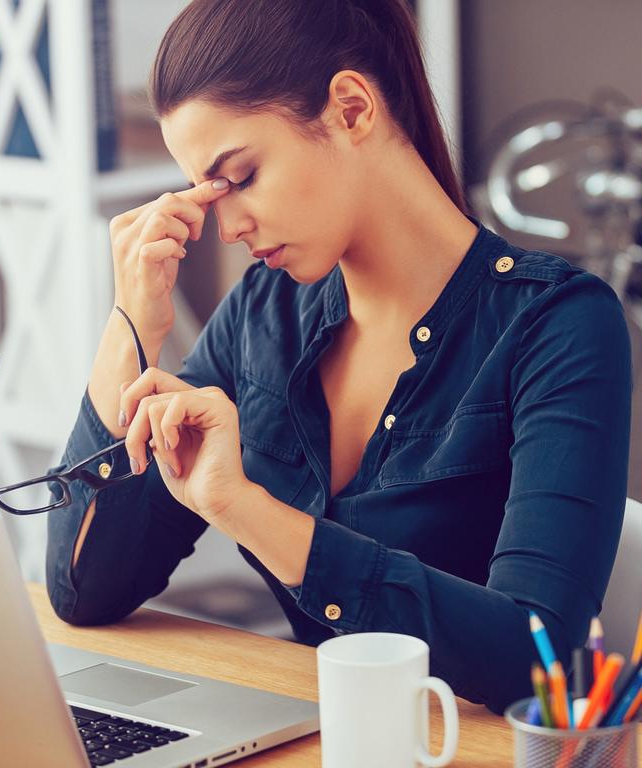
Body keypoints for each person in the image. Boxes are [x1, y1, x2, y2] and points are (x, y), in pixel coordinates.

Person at [44, 0, 633, 714]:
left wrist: (247, 510)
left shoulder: (557, 325)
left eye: (242, 177)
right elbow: (85, 592)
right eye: (208, 192)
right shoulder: (263, 315)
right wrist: (130, 321)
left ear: (352, 109)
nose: (225, 225)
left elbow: (535, 654)